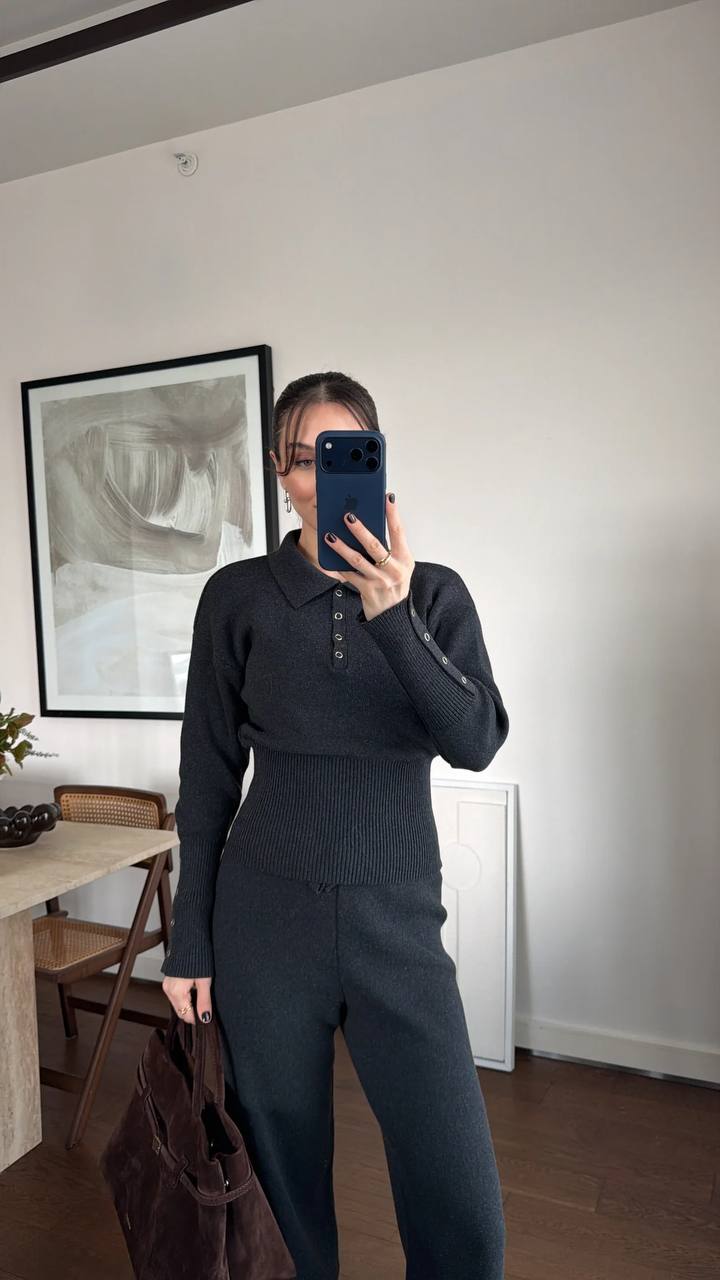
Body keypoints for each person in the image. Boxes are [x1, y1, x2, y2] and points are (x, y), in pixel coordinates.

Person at [161, 370, 510, 1279]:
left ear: (378, 461)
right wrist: (188, 940)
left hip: (399, 920)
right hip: (264, 921)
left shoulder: (435, 595)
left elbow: (475, 741)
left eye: (345, 452)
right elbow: (207, 776)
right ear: (281, 473)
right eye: (304, 457)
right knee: (280, 1186)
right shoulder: (237, 597)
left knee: (458, 1195)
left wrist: (393, 615)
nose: (323, 475)